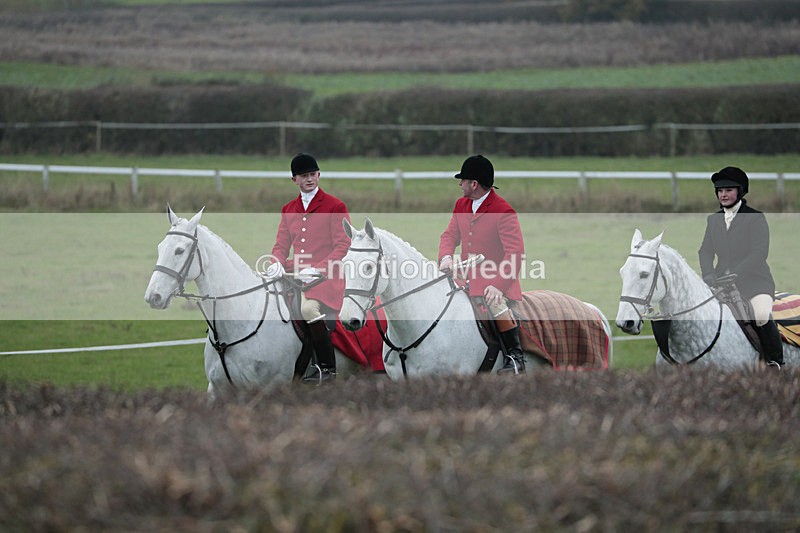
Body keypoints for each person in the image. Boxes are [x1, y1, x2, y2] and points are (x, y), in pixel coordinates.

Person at [438, 154, 527, 374]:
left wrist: (498, 285)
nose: (460, 184)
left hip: (495, 279)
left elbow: (515, 253)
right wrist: (446, 256)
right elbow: (449, 235)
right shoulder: (461, 204)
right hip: (465, 277)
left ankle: (515, 357)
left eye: (463, 180)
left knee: (494, 303)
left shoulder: (503, 210)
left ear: (474, 184)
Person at [269, 153, 351, 383]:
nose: (310, 179)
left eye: (313, 175)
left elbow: (343, 244)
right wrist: (275, 262)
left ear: (319, 175)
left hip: (326, 277)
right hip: (294, 273)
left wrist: (319, 269)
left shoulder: (335, 205)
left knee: (308, 310)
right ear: (294, 180)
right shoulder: (288, 209)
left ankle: (327, 369)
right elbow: (281, 245)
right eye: (304, 176)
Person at [698, 166, 784, 368]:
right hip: (721, 283)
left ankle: (775, 362)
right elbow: (705, 251)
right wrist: (708, 274)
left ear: (740, 191)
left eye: (728, 190)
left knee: (761, 315)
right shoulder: (714, 219)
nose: (723, 194)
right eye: (720, 191)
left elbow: (759, 253)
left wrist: (736, 274)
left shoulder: (756, 217)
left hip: (754, 282)